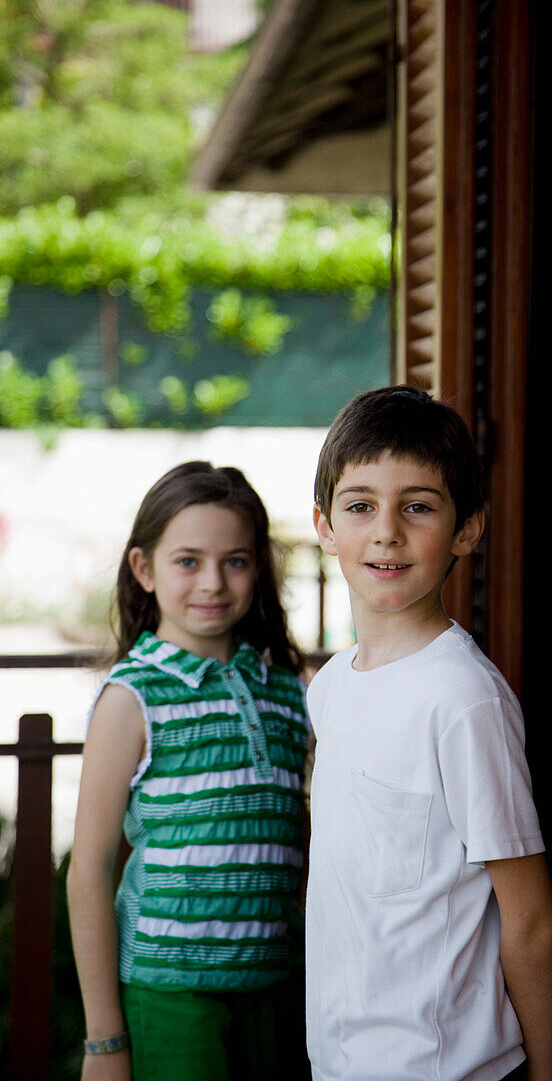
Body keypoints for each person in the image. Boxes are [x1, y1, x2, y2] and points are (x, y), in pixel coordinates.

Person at [306, 387, 552, 1081]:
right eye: (360, 506)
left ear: (466, 530)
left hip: (447, 1067)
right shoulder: (329, 687)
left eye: (416, 506)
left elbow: (530, 918)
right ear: (324, 526)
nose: (386, 530)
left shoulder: (461, 697)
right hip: (341, 1061)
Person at [67, 461, 311, 1081]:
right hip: (168, 995)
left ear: (259, 566)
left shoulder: (290, 692)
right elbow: (90, 870)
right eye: (187, 561)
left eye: (235, 560)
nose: (213, 582)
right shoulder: (132, 698)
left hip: (277, 989)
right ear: (144, 569)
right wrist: (104, 1040)